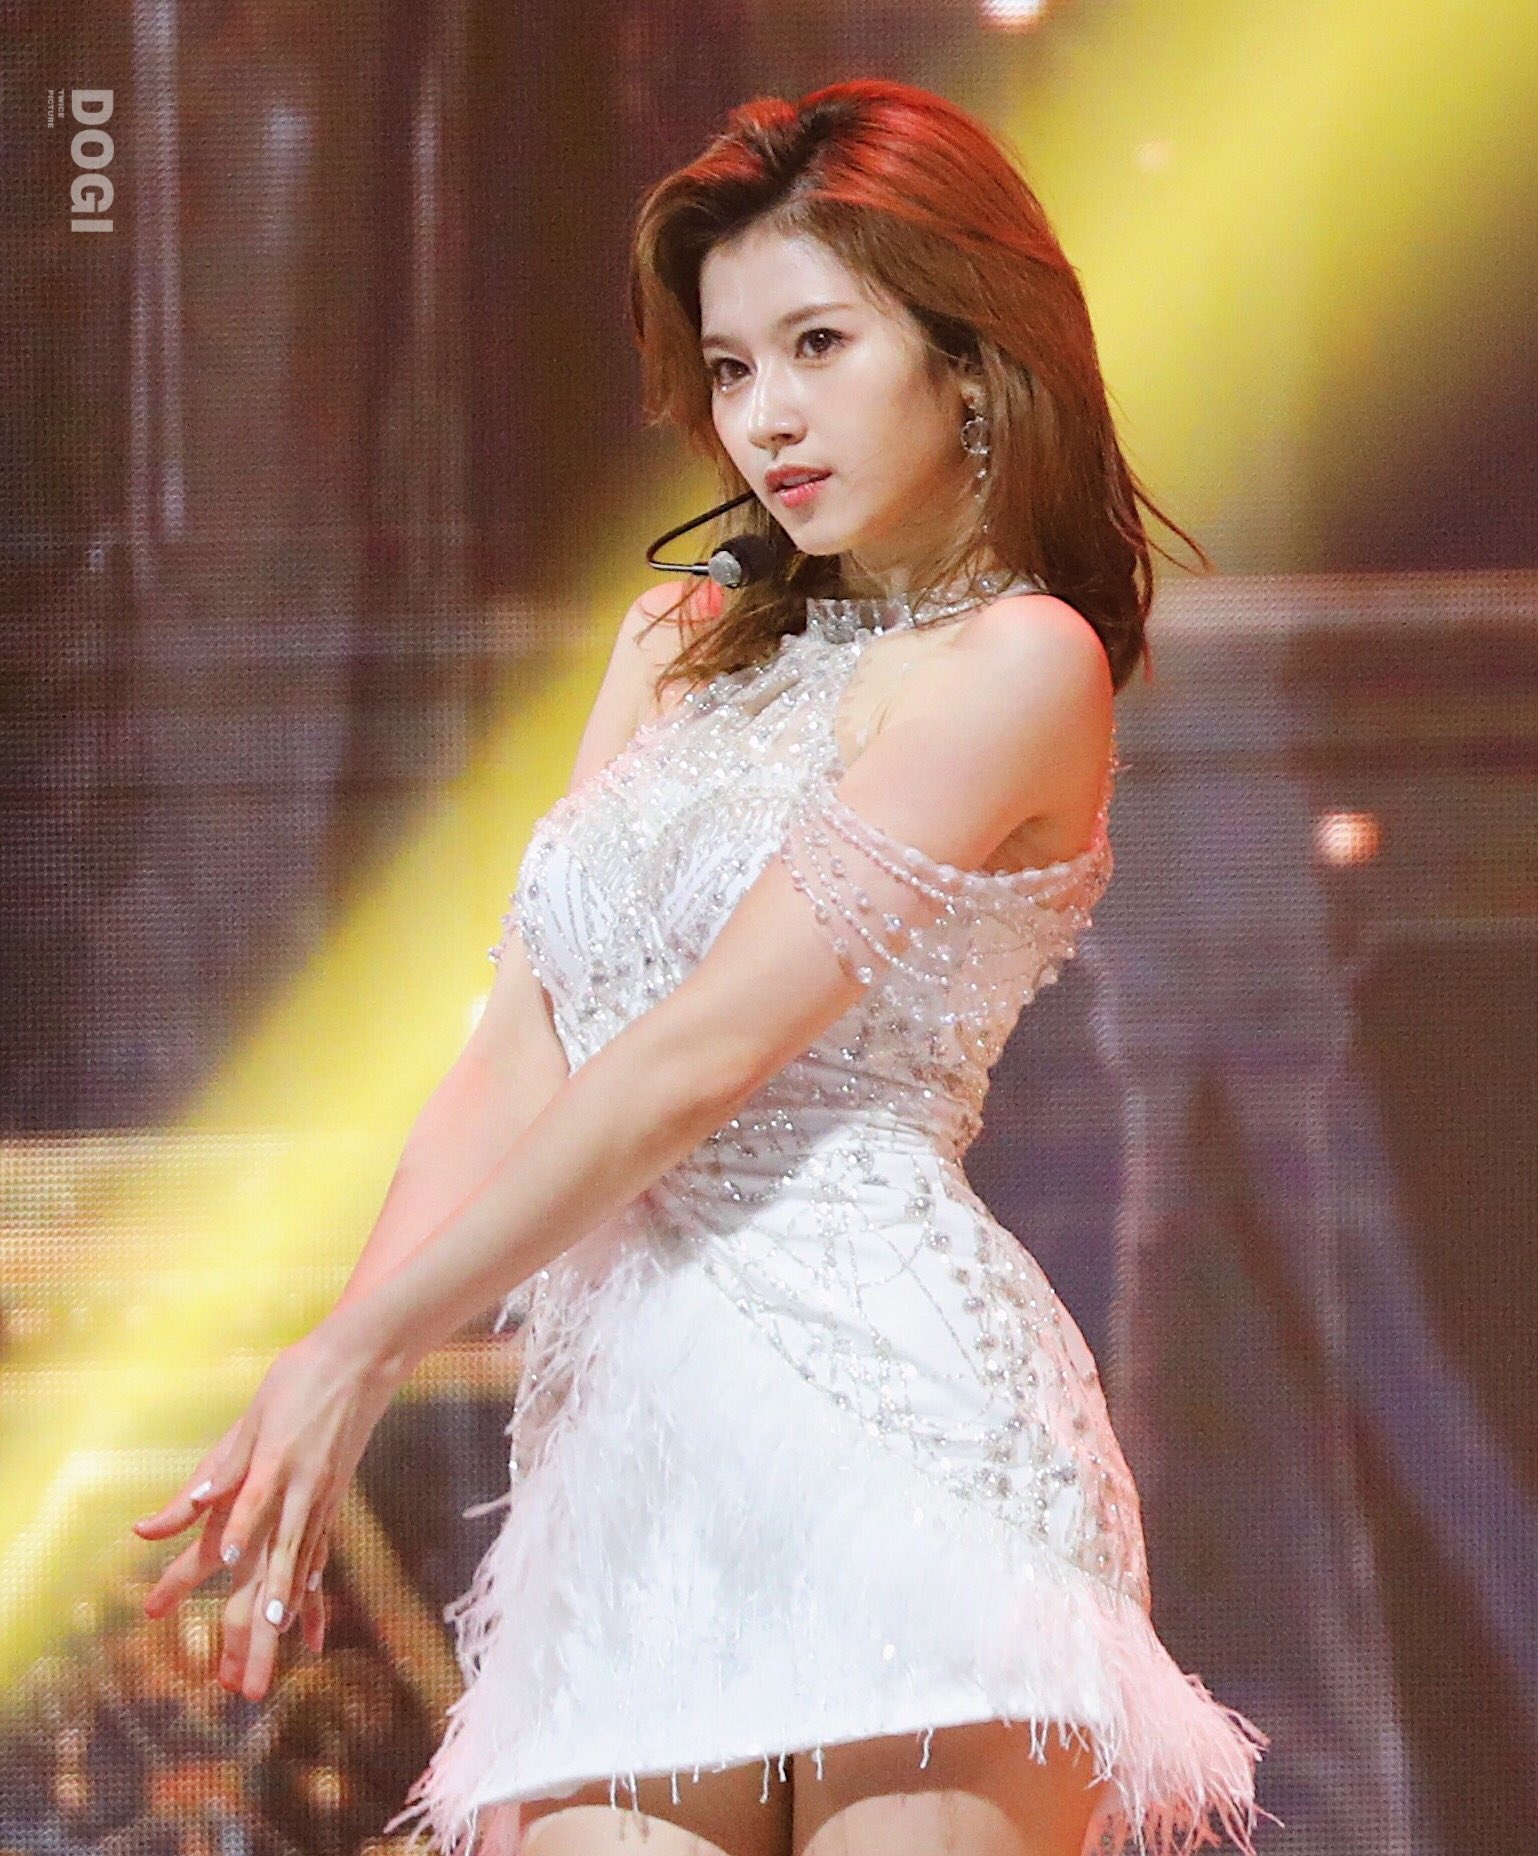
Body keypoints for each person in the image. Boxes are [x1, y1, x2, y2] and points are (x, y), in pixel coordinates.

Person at [130, 79, 1272, 1856]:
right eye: (731, 368)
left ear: (970, 360)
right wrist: (336, 1359)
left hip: (895, 1438)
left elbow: (695, 1054)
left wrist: (373, 1344)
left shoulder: (1021, 661)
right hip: (628, 1465)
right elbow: (522, 1045)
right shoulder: (675, 639)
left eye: (817, 344)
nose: (765, 415)